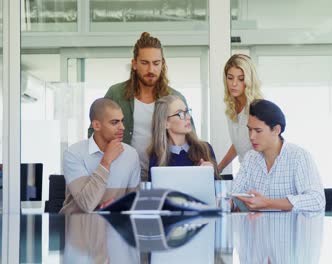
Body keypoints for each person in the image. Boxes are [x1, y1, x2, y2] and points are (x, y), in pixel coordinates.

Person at [88, 32, 193, 181]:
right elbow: (94, 133)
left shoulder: (175, 99)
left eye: (156, 63)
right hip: (122, 176)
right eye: (145, 63)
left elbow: (190, 136)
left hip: (164, 174)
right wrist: (106, 159)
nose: (151, 69)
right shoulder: (116, 94)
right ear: (134, 64)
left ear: (162, 64)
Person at [230, 99, 325, 211]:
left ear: (276, 130)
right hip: (257, 227)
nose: (251, 136)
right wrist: (225, 203)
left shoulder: (299, 156)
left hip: (291, 228)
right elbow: (234, 195)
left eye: (258, 131)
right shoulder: (250, 158)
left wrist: (268, 203)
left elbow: (316, 200)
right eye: (249, 130)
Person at [61, 98, 140, 214]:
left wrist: (115, 208)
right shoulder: (73, 154)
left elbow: (134, 202)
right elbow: (87, 204)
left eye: (122, 121)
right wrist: (106, 161)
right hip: (78, 226)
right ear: (96, 125)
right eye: (114, 122)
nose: (122, 127)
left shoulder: (131, 154)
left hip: (114, 225)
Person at [147, 95, 219, 180]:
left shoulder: (205, 148)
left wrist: (211, 174)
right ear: (165, 123)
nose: (188, 117)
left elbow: (218, 189)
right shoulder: (157, 156)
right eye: (180, 113)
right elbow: (157, 191)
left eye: (187, 111)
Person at [218, 54, 263, 173]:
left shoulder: (258, 108)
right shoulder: (231, 109)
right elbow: (239, 145)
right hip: (245, 171)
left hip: (261, 171)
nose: (234, 84)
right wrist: (219, 168)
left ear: (249, 80)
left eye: (241, 79)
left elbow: (268, 147)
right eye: (230, 78)